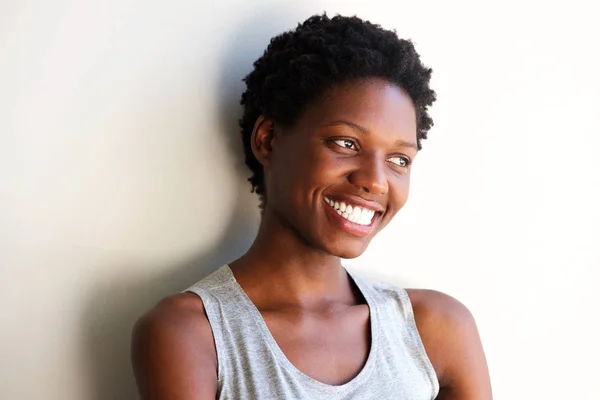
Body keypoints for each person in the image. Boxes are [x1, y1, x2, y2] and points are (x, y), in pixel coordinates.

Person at [131, 13, 492, 400]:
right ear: (268, 140)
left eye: (399, 160)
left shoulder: (434, 329)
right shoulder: (194, 333)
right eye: (346, 143)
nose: (375, 180)